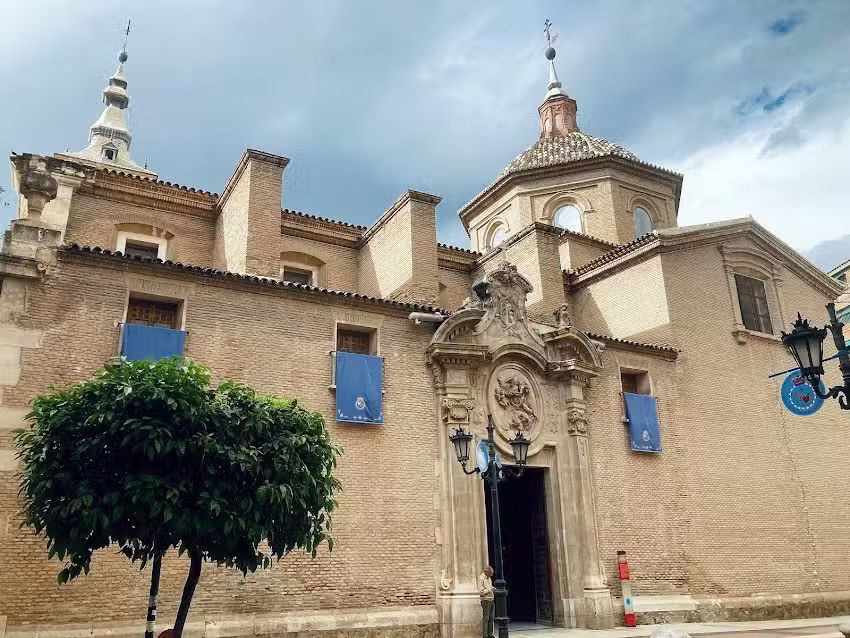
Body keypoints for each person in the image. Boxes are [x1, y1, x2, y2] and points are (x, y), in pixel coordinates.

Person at [478, 565, 495, 638]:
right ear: (486, 572)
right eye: (491, 573)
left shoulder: (489, 579)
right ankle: (485, 635)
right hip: (485, 600)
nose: (492, 574)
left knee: (491, 618)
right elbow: (481, 592)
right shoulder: (481, 578)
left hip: (491, 599)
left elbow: (490, 587)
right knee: (486, 618)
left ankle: (490, 634)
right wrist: (490, 590)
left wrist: (492, 588)